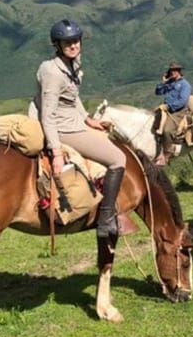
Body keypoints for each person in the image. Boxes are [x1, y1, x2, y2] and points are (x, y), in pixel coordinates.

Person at [29, 19, 126, 239]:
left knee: (106, 136)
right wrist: (55, 152)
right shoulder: (52, 73)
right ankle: (106, 219)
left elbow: (73, 97)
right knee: (118, 159)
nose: (73, 46)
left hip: (72, 120)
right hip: (62, 128)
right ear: (58, 45)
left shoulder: (72, 63)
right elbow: (49, 114)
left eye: (76, 41)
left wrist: (87, 118)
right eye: (67, 42)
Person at [153, 62, 192, 165]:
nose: (173, 72)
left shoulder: (185, 85)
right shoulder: (170, 82)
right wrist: (163, 82)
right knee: (153, 125)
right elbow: (158, 92)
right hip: (166, 108)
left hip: (178, 111)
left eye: (175, 70)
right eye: (171, 70)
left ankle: (166, 154)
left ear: (179, 71)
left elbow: (182, 100)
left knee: (167, 130)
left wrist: (168, 106)